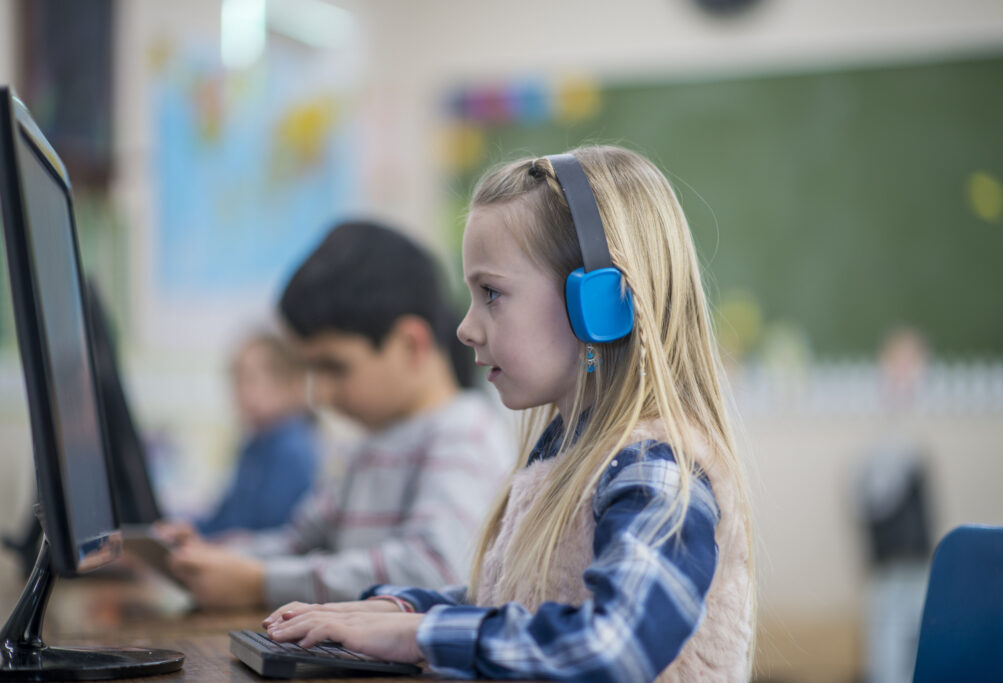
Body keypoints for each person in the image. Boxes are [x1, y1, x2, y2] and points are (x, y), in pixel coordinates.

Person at [261, 147, 756, 681]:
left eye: (491, 293)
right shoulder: (564, 453)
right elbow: (515, 600)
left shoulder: (658, 468)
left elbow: (614, 646)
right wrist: (397, 610)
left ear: (599, 303)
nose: (465, 328)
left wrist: (417, 636)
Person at [165, 220, 515, 610]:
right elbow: (296, 544)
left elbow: (434, 570)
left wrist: (262, 585)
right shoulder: (371, 444)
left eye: (334, 367)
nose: (321, 392)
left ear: (409, 345)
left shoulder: (464, 432)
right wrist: (211, 554)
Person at [195, 331, 317, 537]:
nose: (239, 390)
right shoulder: (255, 444)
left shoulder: (291, 448)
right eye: (236, 379)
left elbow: (274, 532)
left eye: (250, 379)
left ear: (289, 382)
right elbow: (224, 518)